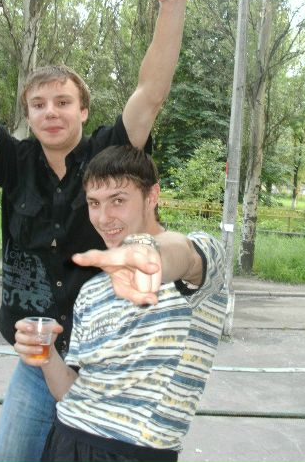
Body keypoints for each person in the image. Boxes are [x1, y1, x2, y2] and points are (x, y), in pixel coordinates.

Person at [0, 0, 188, 461]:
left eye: (63, 102)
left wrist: (171, 6)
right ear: (27, 113)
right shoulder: (12, 159)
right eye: (39, 104)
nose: (51, 112)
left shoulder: (109, 154)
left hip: (105, 361)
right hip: (35, 359)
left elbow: (151, 91)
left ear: (83, 110)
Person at [14, 144, 227, 462]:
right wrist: (44, 354)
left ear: (152, 196)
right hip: (64, 440)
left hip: (132, 451)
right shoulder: (92, 290)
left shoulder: (199, 263)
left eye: (118, 200)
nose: (103, 218)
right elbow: (72, 390)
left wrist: (148, 254)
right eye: (94, 203)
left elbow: (181, 252)